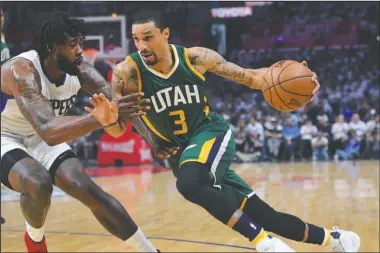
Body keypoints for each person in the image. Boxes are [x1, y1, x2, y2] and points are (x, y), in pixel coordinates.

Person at [87, 10, 360, 252]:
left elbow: (250, 76)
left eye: (148, 37)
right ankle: (337, 239)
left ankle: (263, 243)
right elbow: (119, 127)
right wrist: (109, 121)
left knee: (189, 183)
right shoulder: (126, 72)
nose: (141, 45)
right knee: (267, 216)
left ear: (165, 34)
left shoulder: (196, 58)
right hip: (183, 155)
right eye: (136, 39)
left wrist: (299, 77)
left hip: (210, 133)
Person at [0, 13, 172, 253]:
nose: (80, 50)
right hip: (6, 135)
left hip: (40, 135)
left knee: (88, 190)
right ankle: (35, 241)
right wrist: (99, 117)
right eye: (72, 45)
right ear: (52, 48)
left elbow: (120, 106)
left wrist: (154, 142)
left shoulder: (82, 70)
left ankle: (150, 251)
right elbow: (49, 130)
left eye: (80, 42)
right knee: (38, 182)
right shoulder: (23, 71)